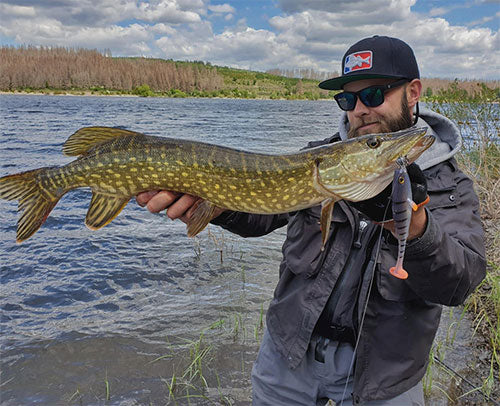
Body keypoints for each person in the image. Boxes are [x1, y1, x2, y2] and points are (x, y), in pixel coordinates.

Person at [136, 36, 486, 405]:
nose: (360, 111)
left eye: (373, 95)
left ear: (412, 92)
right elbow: (263, 216)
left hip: (385, 376)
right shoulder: (319, 160)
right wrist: (218, 202)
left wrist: (412, 227)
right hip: (289, 354)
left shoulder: (451, 185)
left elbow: (459, 284)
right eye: (348, 99)